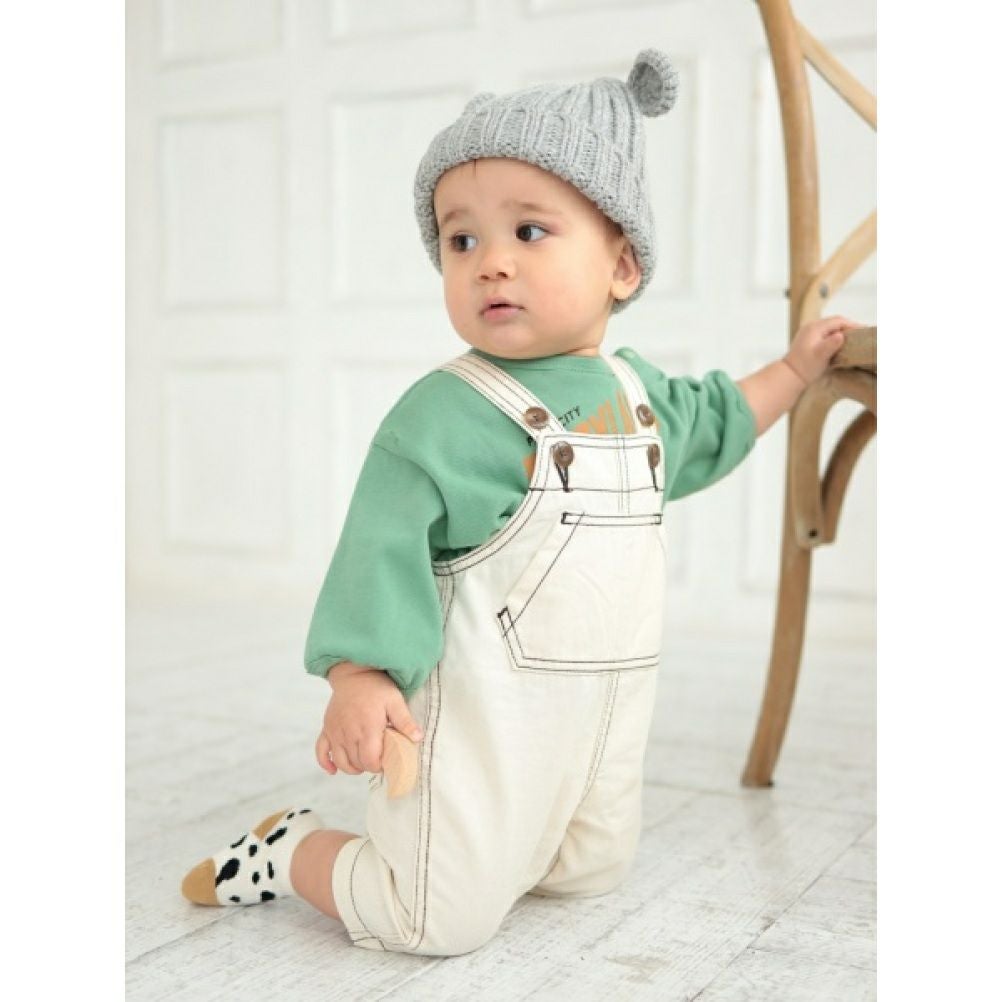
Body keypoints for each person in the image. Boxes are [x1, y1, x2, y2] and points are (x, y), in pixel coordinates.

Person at [180, 49, 861, 956]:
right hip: (483, 725)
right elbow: (380, 548)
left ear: (623, 265)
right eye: (461, 241)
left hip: (602, 729)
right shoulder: (445, 416)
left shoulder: (638, 396)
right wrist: (360, 676)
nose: (491, 263)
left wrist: (795, 370)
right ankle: (290, 848)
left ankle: (506, 846)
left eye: (529, 232)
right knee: (432, 919)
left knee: (587, 872)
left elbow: (721, 418)